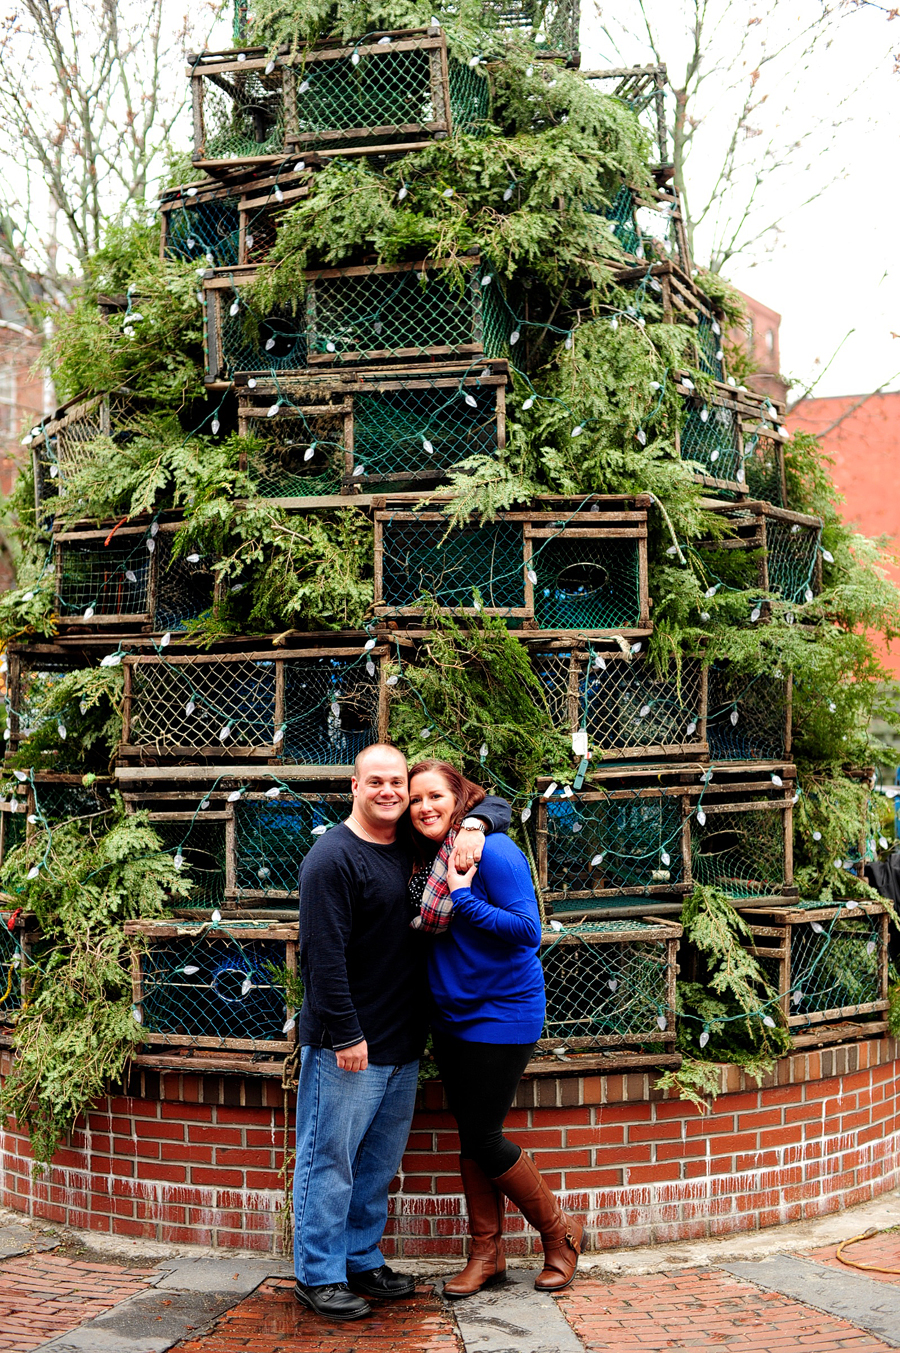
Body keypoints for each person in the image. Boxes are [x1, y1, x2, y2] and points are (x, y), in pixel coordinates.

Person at [292, 743, 511, 1322]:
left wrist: (478, 825)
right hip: (349, 1044)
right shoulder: (332, 858)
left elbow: (498, 803)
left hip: (403, 1041)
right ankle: (318, 1275)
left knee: (376, 1167)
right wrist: (344, 1035)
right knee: (328, 1162)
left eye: (400, 784)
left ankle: (362, 1260)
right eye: (379, 782)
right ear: (355, 789)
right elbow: (321, 956)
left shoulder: (413, 847)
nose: (392, 793)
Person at [407, 759, 585, 1298]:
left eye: (435, 795)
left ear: (459, 797)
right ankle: (487, 1253)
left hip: (502, 1013)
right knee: (471, 1134)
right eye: (417, 800)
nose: (424, 807)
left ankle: (561, 1234)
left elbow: (527, 932)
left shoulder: (493, 851)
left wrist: (463, 897)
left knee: (483, 1135)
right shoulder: (426, 858)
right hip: (453, 1017)